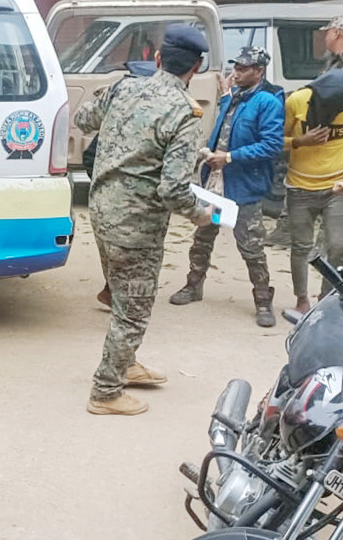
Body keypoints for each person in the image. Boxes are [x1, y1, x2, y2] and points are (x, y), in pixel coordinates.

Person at [74, 24, 214, 416]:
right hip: (137, 227)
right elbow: (174, 191)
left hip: (102, 212)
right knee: (133, 309)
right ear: (197, 67)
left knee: (122, 296)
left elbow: (84, 119)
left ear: (157, 59)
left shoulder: (123, 87)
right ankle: (105, 392)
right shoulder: (186, 112)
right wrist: (200, 215)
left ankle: (126, 364)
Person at [169, 46, 284, 328]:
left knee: (251, 247)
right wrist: (208, 152)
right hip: (215, 182)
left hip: (244, 188)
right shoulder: (232, 98)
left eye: (244, 69)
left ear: (258, 71)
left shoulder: (268, 103)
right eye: (236, 67)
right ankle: (193, 284)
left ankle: (262, 299)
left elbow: (272, 145)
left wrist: (230, 157)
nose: (237, 73)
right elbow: (223, 134)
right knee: (202, 237)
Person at [266, 15, 343, 248]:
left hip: (339, 134)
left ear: (336, 33)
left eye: (327, 32)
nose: (324, 37)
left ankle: (325, 244)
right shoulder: (332, 61)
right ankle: (288, 230)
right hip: (317, 130)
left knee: (335, 191)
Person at [283, 69, 343, 314]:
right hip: (300, 187)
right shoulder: (297, 101)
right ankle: (301, 298)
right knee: (301, 246)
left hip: (339, 186)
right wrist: (300, 142)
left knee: (338, 246)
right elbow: (276, 139)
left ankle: (328, 298)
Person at [77, 60, 157, 308]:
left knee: (115, 252)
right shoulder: (166, 111)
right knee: (133, 255)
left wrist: (103, 185)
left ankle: (116, 292)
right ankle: (120, 296)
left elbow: (83, 122)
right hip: (138, 200)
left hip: (109, 199)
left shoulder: (117, 104)